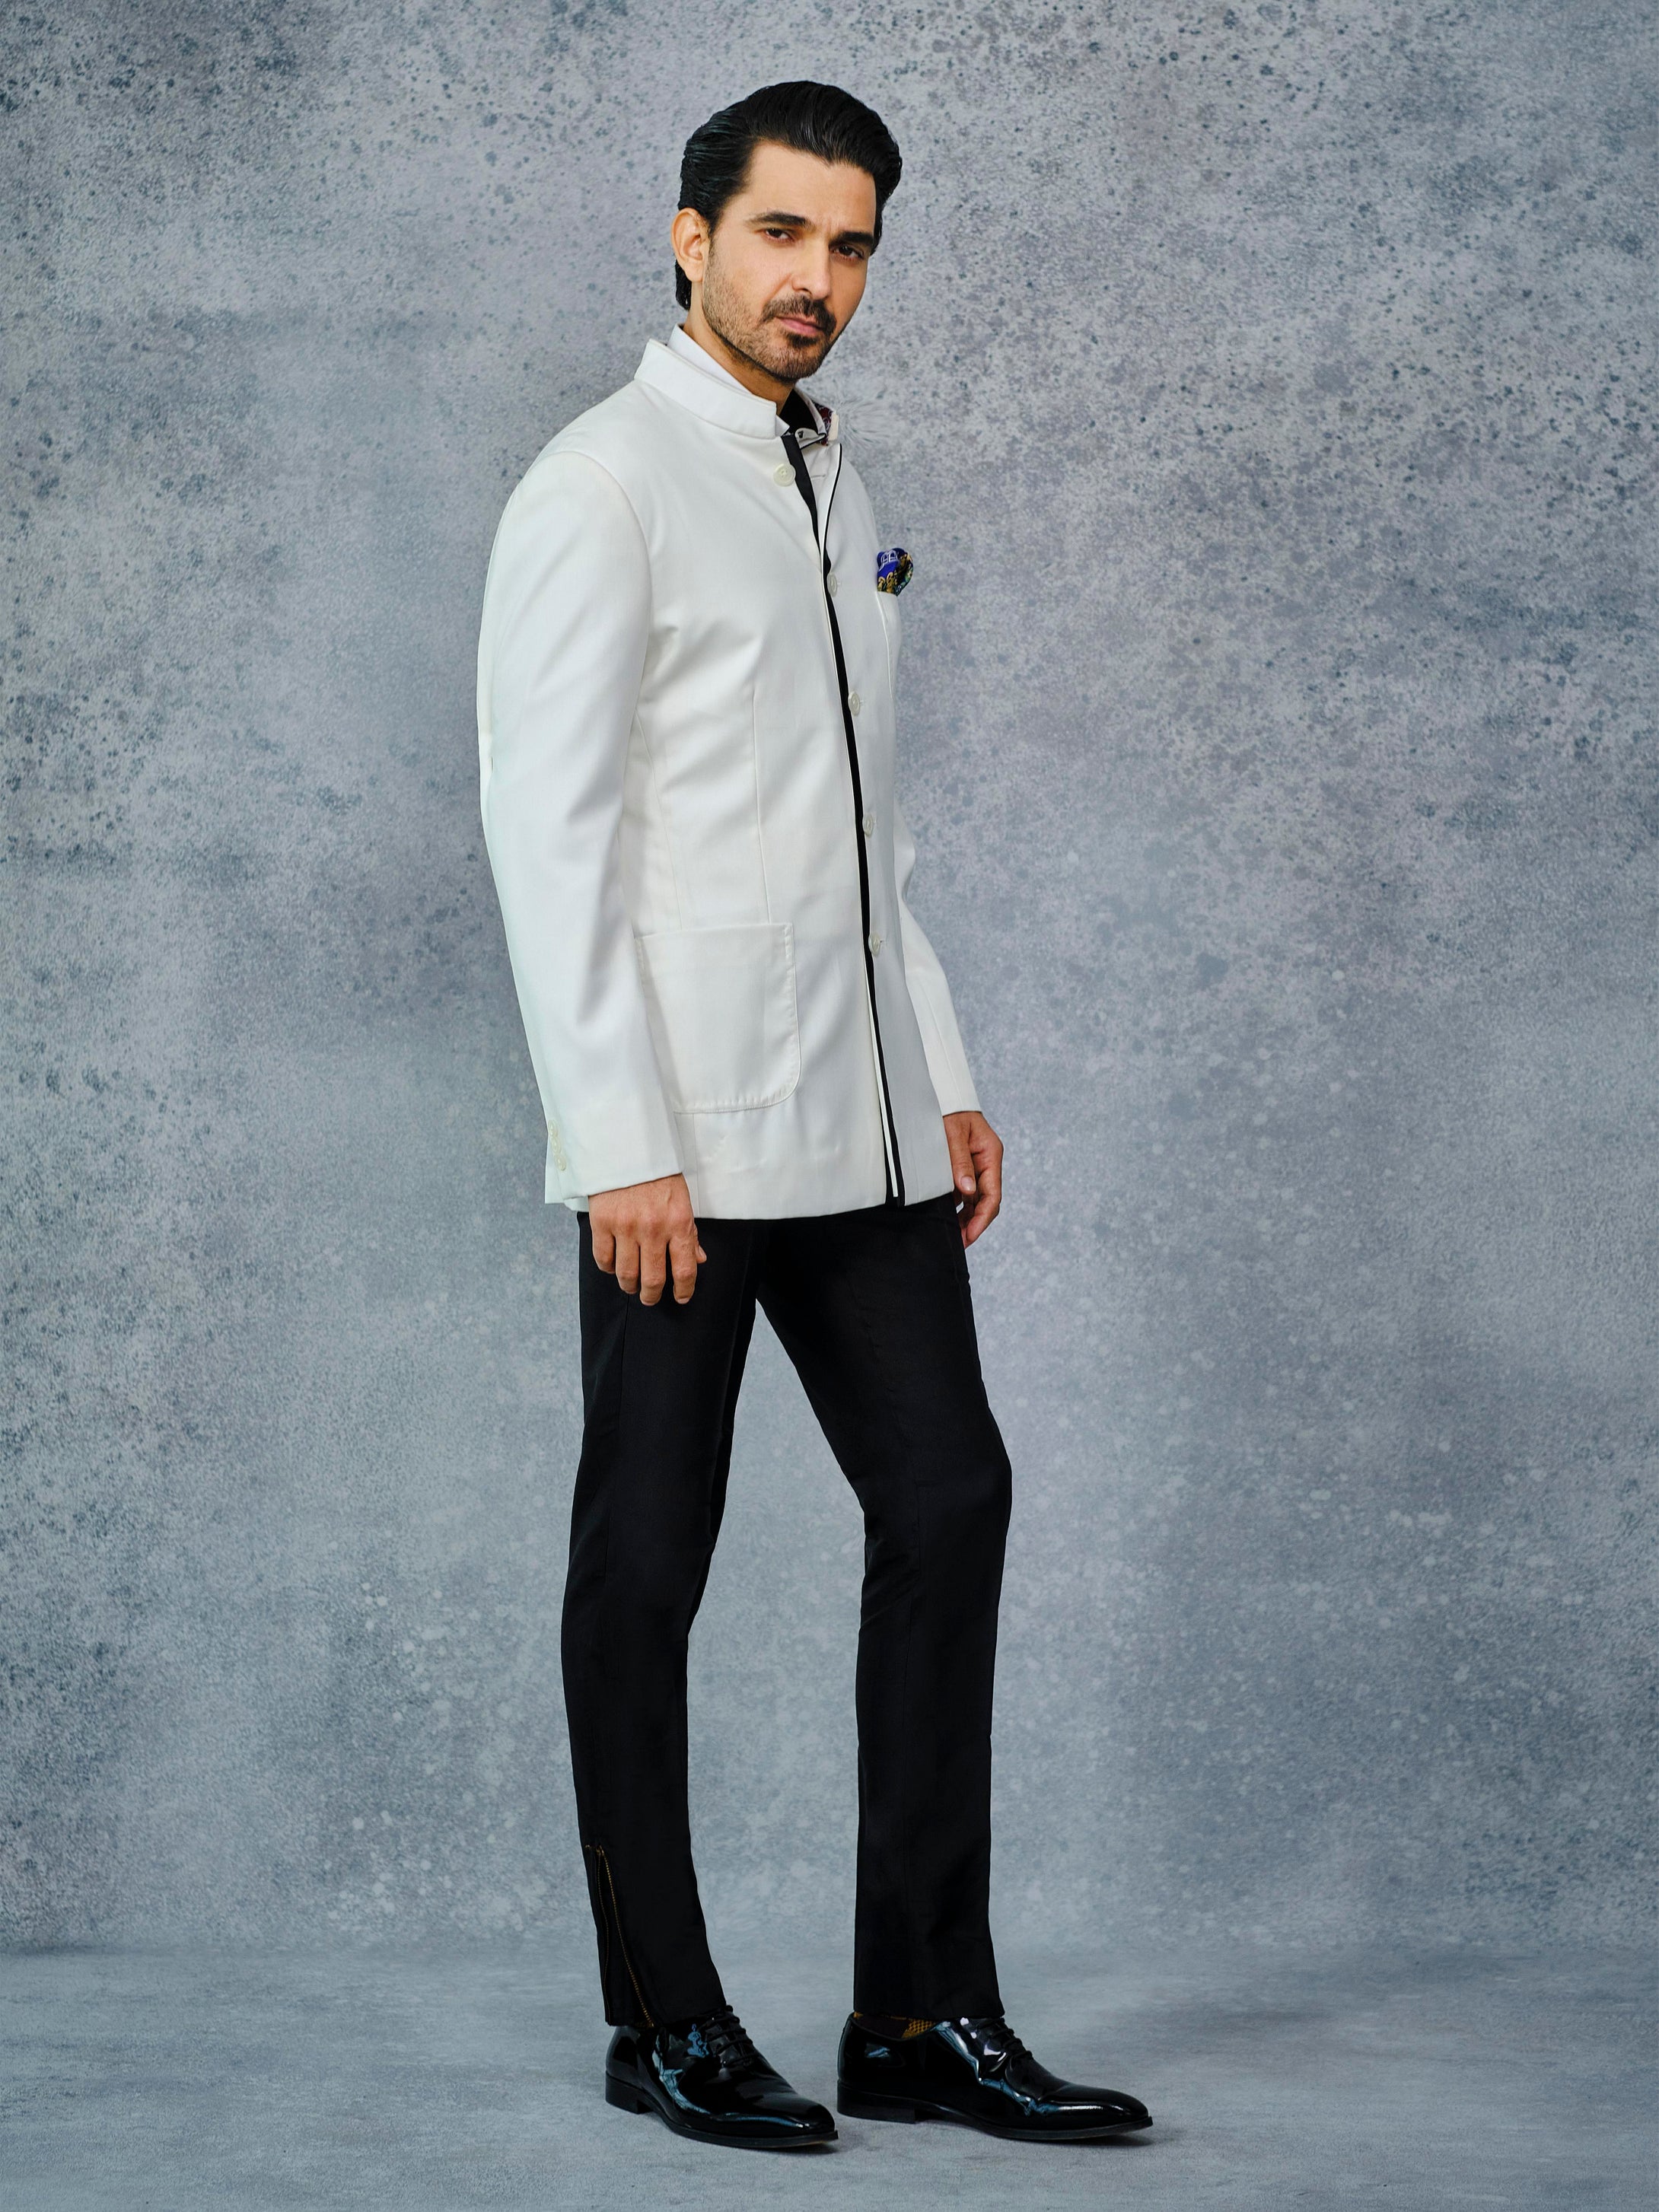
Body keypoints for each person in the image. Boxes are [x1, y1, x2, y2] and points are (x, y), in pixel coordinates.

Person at [476, 78, 1151, 2153]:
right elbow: (548, 840)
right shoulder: (601, 484)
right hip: (680, 1144)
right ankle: (661, 2017)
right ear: (691, 235)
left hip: (860, 1127)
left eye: (850, 245)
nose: (816, 280)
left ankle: (917, 2013)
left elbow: (868, 836)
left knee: (949, 1502)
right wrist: (617, 1137)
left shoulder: (833, 475)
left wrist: (942, 1071)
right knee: (646, 1565)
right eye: (781, 234)